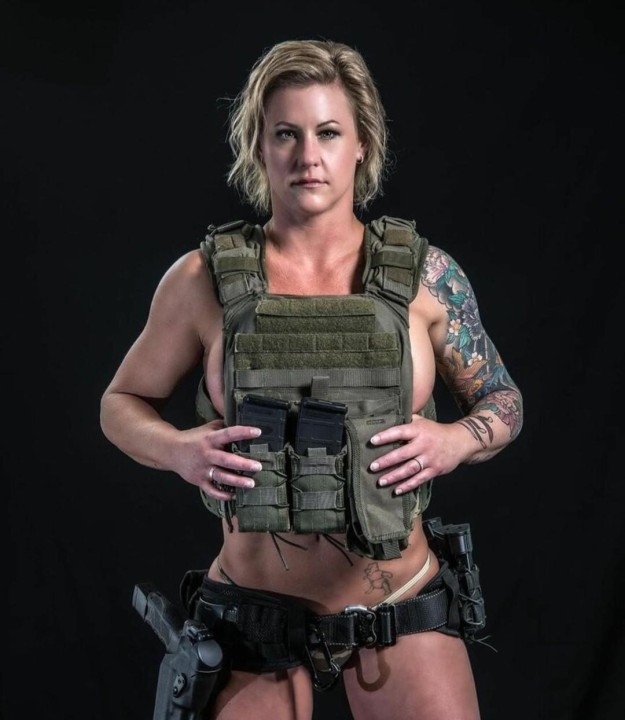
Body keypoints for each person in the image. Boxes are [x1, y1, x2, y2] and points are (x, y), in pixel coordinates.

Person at [100, 39, 523, 720]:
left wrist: (454, 440)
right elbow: (120, 403)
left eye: (328, 132)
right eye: (285, 134)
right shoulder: (202, 280)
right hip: (251, 615)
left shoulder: (426, 276)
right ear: (259, 147)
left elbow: (503, 401)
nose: (308, 156)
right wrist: (179, 450)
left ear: (361, 145)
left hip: (397, 600)